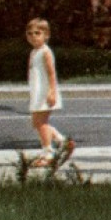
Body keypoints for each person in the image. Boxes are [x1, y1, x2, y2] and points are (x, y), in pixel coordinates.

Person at [25, 18, 75, 168]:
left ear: (46, 35)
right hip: (37, 92)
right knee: (36, 122)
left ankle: (48, 153)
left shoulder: (46, 52)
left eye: (37, 33)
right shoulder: (34, 52)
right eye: (30, 33)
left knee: (41, 123)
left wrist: (52, 92)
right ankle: (63, 142)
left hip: (45, 93)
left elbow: (52, 74)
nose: (33, 36)